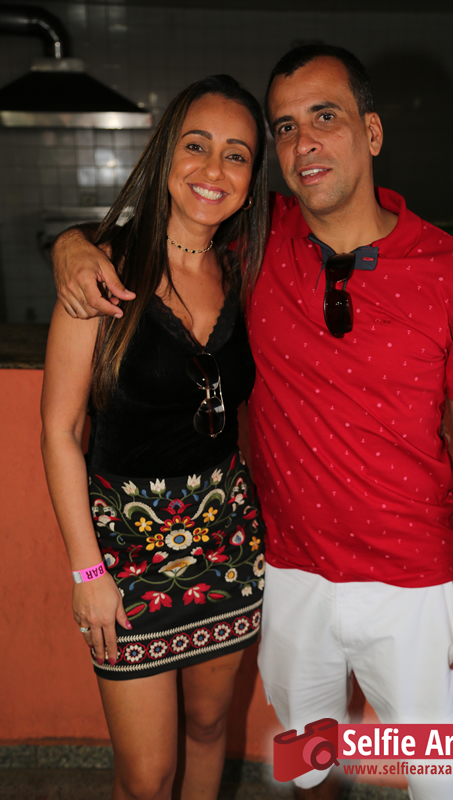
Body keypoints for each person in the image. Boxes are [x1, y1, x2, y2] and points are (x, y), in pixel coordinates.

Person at [51, 45, 453, 800]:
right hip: (287, 578)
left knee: (450, 782)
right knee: (307, 767)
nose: (304, 143)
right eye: (286, 126)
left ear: (372, 132)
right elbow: (168, 222)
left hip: (415, 587)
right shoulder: (259, 242)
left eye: (324, 117)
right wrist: (71, 245)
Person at [41, 74, 269, 800]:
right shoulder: (103, 270)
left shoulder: (246, 269)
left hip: (227, 541)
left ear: (252, 179)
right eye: (197, 145)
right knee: (146, 776)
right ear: (167, 151)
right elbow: (60, 430)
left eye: (236, 155)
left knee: (208, 727)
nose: (213, 169)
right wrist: (87, 574)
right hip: (124, 553)